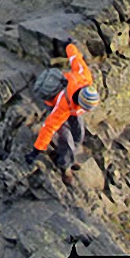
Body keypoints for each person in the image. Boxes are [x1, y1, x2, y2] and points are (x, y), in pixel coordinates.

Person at [25, 43, 100, 186]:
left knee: (79, 134)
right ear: (80, 101)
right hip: (60, 107)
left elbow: (75, 58)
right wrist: (36, 151)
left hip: (73, 109)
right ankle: (65, 167)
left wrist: (70, 46)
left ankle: (70, 157)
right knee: (66, 141)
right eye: (85, 108)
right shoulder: (63, 105)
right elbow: (49, 127)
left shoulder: (85, 77)